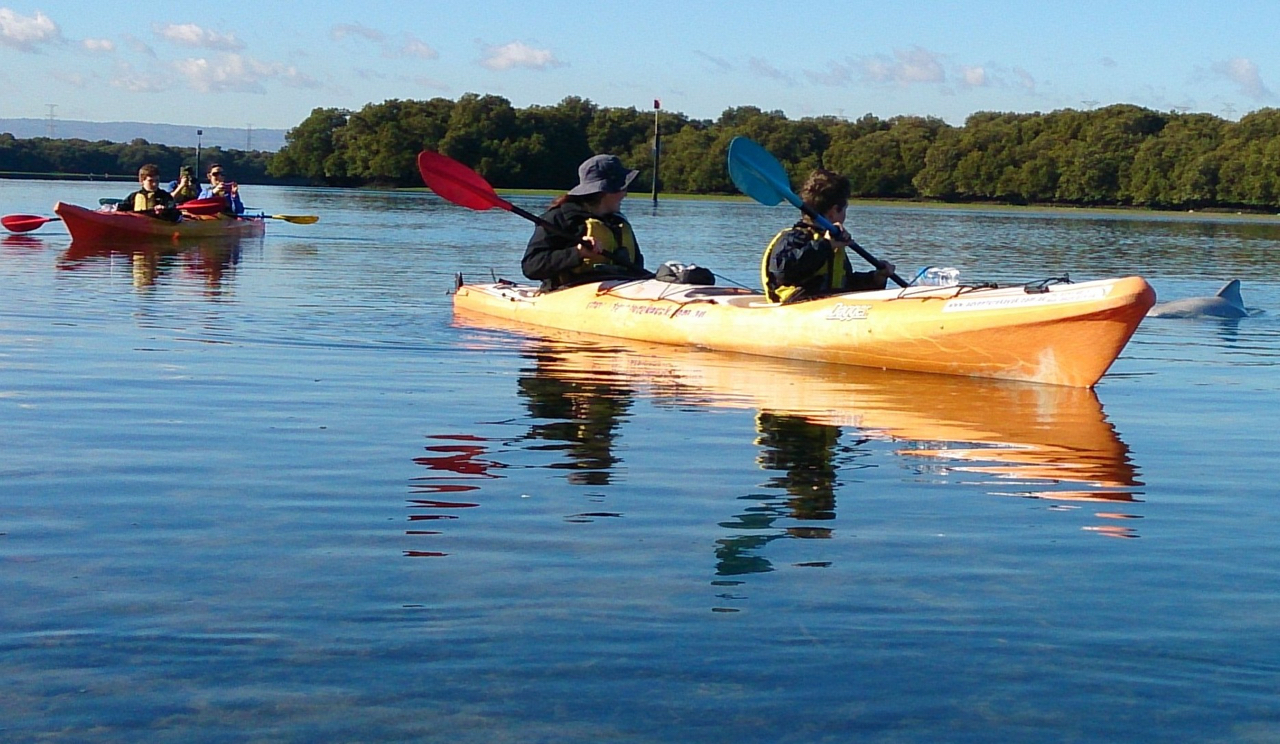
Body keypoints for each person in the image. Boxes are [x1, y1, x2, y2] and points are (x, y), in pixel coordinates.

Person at [761, 168, 895, 304]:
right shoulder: (793, 237)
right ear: (833, 212)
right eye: (844, 209)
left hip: (829, 307)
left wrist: (875, 278)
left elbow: (844, 284)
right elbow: (784, 271)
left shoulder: (834, 243)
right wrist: (826, 246)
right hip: (795, 309)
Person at [522, 154, 651, 292]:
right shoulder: (558, 218)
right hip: (569, 294)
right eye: (623, 188)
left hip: (617, 294)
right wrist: (577, 253)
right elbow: (531, 266)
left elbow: (637, 266)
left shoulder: (618, 221)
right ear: (606, 191)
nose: (625, 194)